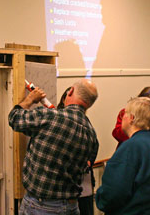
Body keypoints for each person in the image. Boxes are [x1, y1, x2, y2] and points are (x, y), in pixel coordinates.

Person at [8, 79, 99, 215]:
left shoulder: (50, 117)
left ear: (71, 91)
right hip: (71, 207)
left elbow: (14, 118)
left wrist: (30, 99)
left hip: (40, 206)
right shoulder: (91, 134)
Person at [96, 97, 150, 214]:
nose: (122, 117)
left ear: (131, 118)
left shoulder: (130, 148)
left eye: (125, 114)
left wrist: (100, 197)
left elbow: (113, 194)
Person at [57, 87, 95, 215]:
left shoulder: (86, 125)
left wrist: (89, 160)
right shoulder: (57, 121)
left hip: (84, 184)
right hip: (65, 189)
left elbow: (95, 146)